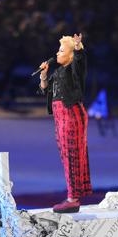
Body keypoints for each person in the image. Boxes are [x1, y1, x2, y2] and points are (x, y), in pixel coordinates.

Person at [38, 33, 93, 213]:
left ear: (70, 55)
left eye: (61, 51)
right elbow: (45, 90)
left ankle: (73, 198)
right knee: (66, 155)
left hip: (71, 114)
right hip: (60, 117)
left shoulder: (73, 69)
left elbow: (80, 61)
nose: (57, 53)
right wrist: (44, 76)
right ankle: (73, 194)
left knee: (72, 154)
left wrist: (77, 47)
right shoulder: (59, 71)